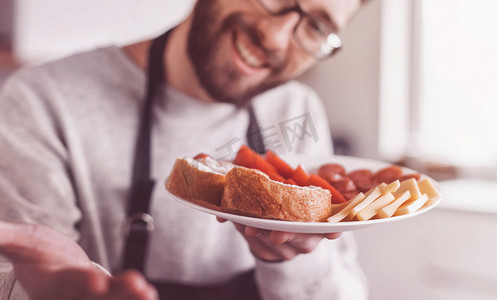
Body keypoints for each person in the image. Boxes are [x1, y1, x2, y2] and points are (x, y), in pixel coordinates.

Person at [0, 0, 370, 299]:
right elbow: (20, 277)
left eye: (317, 27)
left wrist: (290, 260)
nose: (274, 38)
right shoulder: (42, 100)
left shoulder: (296, 109)